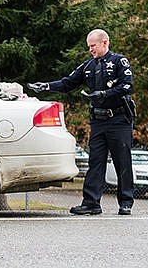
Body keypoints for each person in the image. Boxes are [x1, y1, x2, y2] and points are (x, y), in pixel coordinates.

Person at [28, 29, 136, 216]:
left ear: (105, 42)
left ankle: (125, 202)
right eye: (89, 47)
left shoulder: (119, 61)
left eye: (93, 46)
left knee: (122, 161)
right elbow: (68, 82)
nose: (90, 50)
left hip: (119, 120)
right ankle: (91, 203)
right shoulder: (88, 66)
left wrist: (104, 94)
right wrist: (45, 86)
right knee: (95, 162)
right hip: (98, 121)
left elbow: (127, 85)